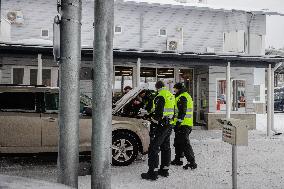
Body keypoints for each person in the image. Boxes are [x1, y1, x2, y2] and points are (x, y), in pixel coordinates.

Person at [141, 81, 175, 180]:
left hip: (162, 125)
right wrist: (150, 114)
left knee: (153, 148)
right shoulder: (170, 94)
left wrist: (151, 119)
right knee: (165, 147)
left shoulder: (160, 96)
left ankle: (152, 173)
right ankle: (164, 170)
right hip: (169, 124)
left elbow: (159, 114)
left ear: (157, 88)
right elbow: (170, 110)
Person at [171, 83, 197, 170]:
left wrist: (178, 122)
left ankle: (192, 163)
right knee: (178, 143)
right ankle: (178, 160)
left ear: (178, 89)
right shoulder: (181, 96)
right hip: (182, 124)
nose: (174, 90)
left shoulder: (183, 97)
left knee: (185, 144)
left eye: (175, 89)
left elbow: (183, 111)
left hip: (184, 124)